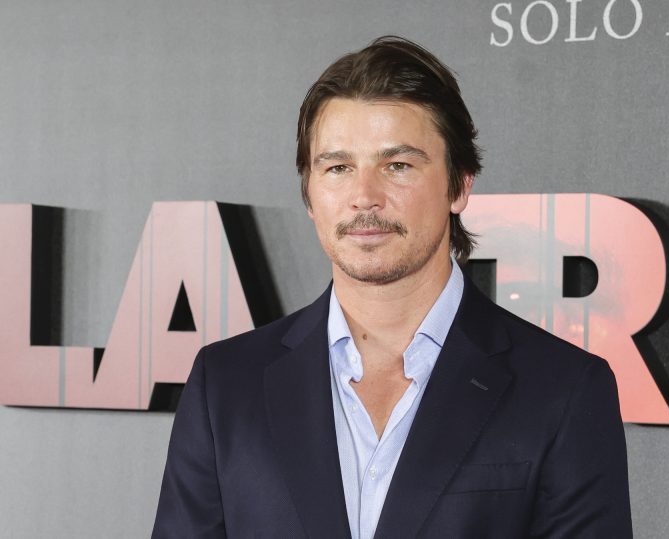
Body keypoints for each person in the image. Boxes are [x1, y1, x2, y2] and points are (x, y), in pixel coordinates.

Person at [152, 36, 632, 538]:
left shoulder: (563, 389)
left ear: (459, 184)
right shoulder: (225, 385)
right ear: (309, 194)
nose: (364, 196)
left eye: (397, 165)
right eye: (338, 168)